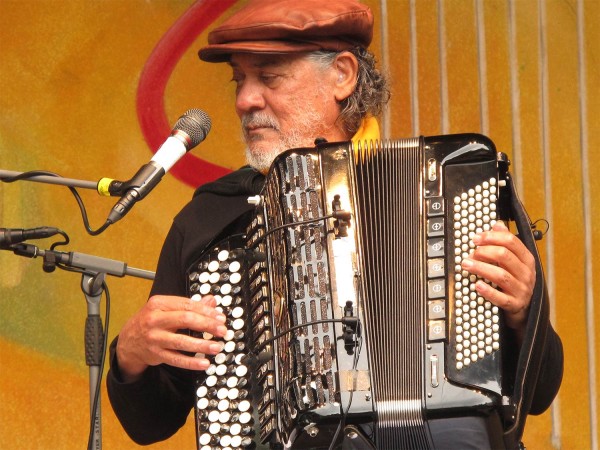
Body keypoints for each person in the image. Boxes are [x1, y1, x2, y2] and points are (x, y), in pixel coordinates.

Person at [107, 1, 563, 448]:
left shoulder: (451, 189)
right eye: (239, 80)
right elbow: (153, 423)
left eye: (269, 77)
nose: (245, 100)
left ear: (342, 75)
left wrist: (524, 314)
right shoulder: (212, 218)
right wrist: (130, 357)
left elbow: (538, 394)